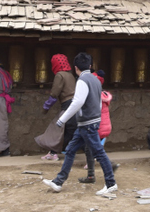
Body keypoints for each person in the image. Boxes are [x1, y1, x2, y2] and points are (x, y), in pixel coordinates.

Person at [42, 52, 117, 196]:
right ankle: (58, 181)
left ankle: (111, 183)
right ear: (90, 66)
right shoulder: (95, 80)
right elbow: (100, 101)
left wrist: (62, 119)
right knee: (70, 150)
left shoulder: (82, 80)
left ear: (76, 68)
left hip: (87, 123)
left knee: (99, 153)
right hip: (88, 122)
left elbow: (78, 102)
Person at [41, 53, 77, 161]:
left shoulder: (59, 75)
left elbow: (54, 94)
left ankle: (53, 153)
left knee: (57, 129)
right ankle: (65, 151)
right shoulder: (70, 75)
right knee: (69, 130)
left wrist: (46, 107)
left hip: (67, 106)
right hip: (75, 105)